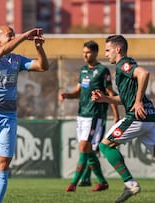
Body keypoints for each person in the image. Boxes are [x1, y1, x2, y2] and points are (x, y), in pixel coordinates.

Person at [91, 35, 155, 203]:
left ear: (118, 49)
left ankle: (130, 184)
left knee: (105, 146)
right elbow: (125, 98)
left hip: (137, 116)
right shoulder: (123, 67)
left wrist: (137, 102)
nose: (106, 54)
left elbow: (144, 73)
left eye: (108, 50)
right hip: (151, 117)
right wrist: (106, 99)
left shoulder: (123, 64)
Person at [0, 25, 49, 203]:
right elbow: (1, 52)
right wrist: (25, 36)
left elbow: (42, 66)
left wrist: (39, 48)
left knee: (2, 166)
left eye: (14, 36)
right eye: (9, 36)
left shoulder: (16, 60)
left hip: (8, 118)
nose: (13, 38)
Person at [59, 40, 119, 193]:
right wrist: (66, 94)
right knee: (88, 150)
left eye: (88, 52)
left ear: (95, 53)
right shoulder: (83, 70)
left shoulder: (102, 70)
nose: (85, 55)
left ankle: (73, 183)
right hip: (82, 114)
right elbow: (78, 91)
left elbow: (110, 93)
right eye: (83, 52)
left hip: (95, 115)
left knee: (84, 147)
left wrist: (116, 115)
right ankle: (101, 181)